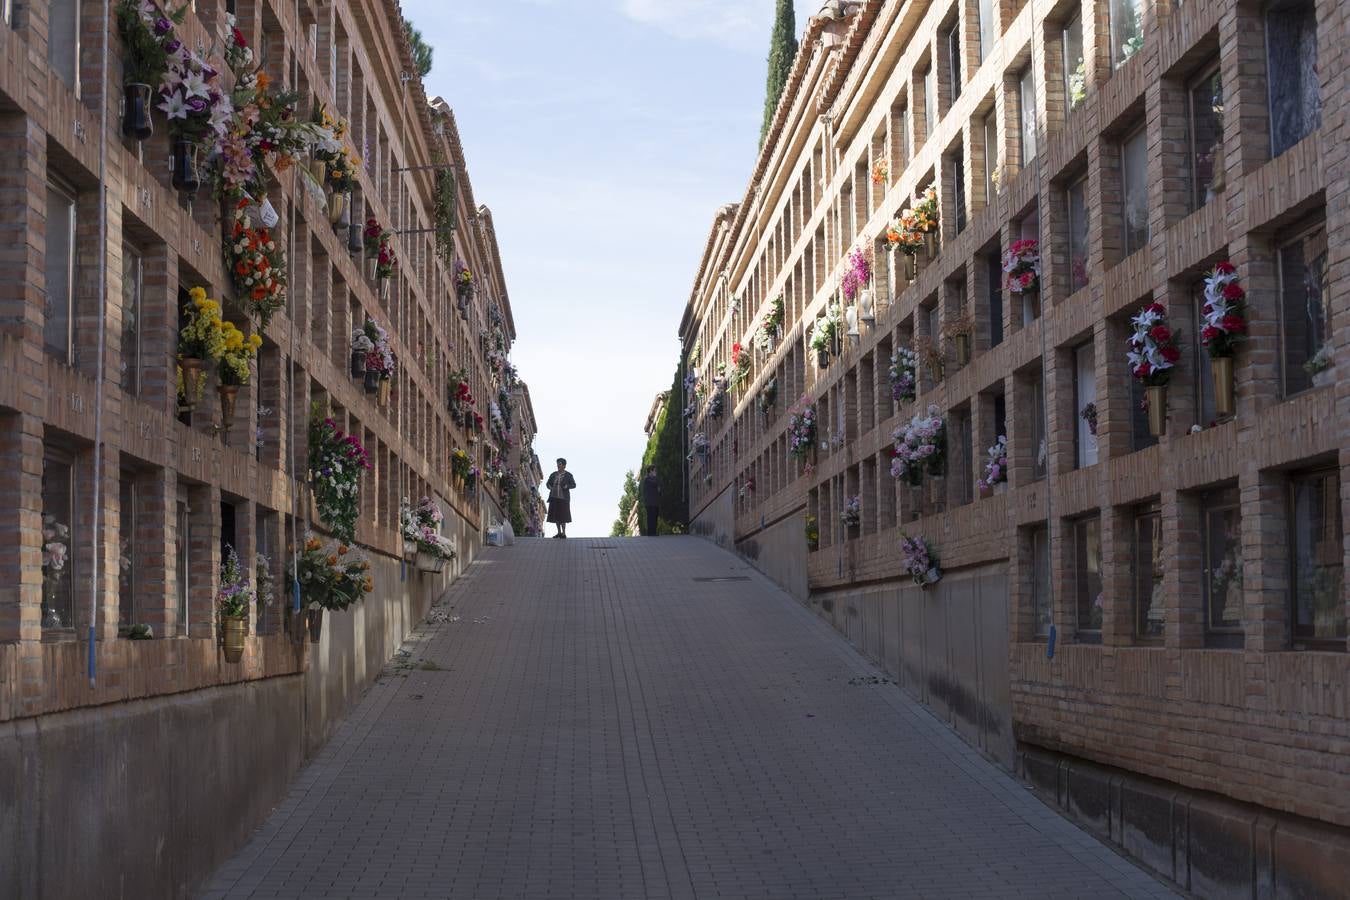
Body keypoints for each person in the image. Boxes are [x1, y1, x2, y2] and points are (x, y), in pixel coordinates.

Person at [545, 458, 576, 539]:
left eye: (560, 464)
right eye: (558, 464)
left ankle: (564, 533)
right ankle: (558, 532)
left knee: (563, 516)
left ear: (564, 466)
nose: (558, 465)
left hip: (563, 498)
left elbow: (574, 484)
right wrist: (549, 487)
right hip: (554, 497)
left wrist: (567, 486)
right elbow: (548, 483)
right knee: (556, 515)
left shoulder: (568, 475)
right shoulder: (553, 474)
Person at [641, 466, 660, 536]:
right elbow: (655, 484)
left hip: (655, 502)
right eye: (654, 471)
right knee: (650, 518)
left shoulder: (654, 479)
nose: (656, 472)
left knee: (655, 517)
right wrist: (656, 479)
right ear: (650, 471)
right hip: (650, 503)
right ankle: (650, 532)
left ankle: (654, 532)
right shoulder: (647, 479)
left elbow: (658, 487)